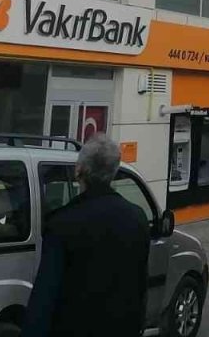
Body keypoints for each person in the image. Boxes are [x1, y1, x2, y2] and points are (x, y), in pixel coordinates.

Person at [22, 136, 150, 337]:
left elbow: (45, 298)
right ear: (114, 172)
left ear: (78, 171)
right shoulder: (138, 218)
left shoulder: (63, 223)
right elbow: (141, 287)